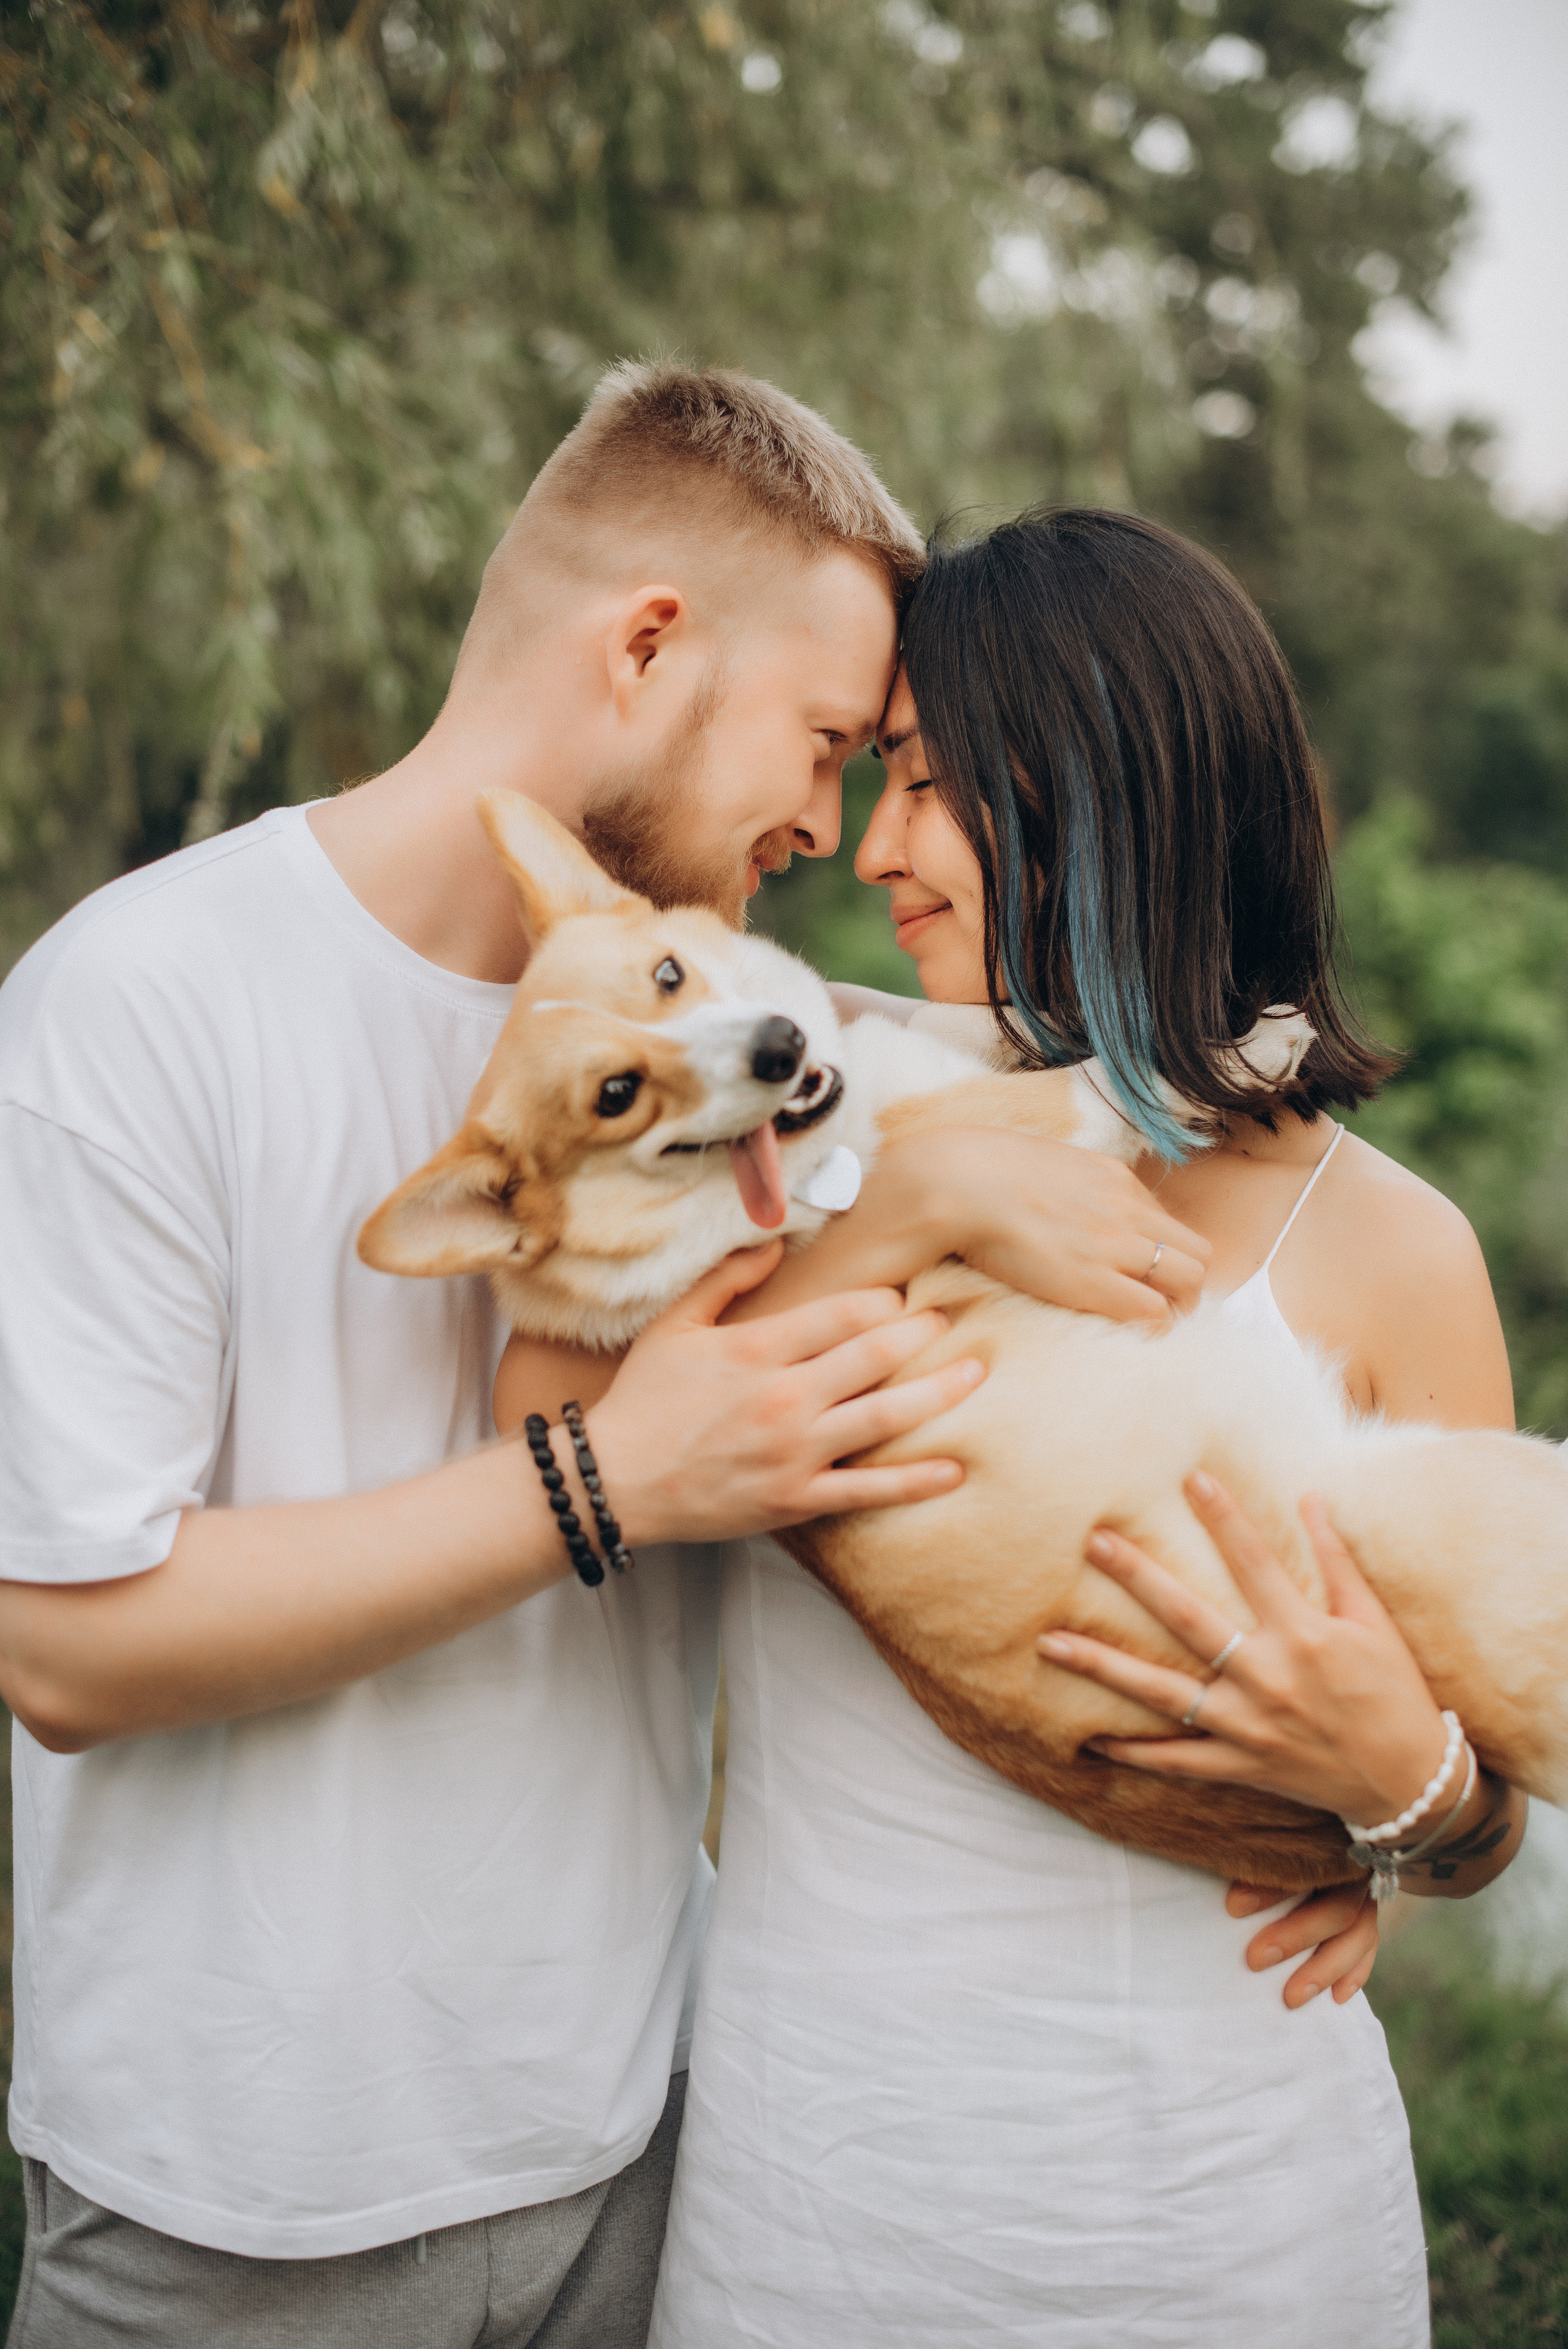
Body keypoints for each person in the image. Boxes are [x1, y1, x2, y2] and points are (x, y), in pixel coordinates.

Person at [0, 377, 1218, 2348]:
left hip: (647, 2157)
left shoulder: (761, 1021)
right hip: (247, 2206)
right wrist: (605, 1481)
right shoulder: (134, 1008)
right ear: (649, 645)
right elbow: (65, 1643)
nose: (825, 829)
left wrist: (1399, 1801)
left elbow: (1170, 1150)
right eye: (826, 745)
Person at [644, 509, 1528, 2348]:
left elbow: (1487, 1805)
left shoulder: (1395, 1248)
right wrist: (907, 1218)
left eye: (931, 786)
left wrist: (1408, 1788)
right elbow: (628, 1457)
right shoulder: (805, 1114)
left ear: (1108, 792)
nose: (873, 849)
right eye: (877, 779)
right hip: (820, 2192)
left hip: (1224, 2210)